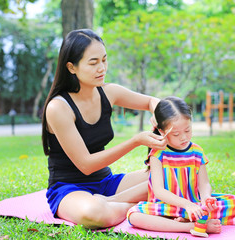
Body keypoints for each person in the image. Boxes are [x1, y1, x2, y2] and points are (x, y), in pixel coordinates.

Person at [41, 29, 167, 229]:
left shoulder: (109, 92)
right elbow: (86, 165)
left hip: (106, 183)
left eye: (104, 60)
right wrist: (135, 141)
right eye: (93, 63)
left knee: (173, 178)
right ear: (71, 67)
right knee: (94, 213)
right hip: (69, 189)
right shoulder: (58, 107)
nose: (102, 68)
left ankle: (115, 202)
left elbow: (153, 101)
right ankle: (143, 207)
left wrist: (159, 115)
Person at [127, 96, 235, 234]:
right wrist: (186, 205)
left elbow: (204, 184)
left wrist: (206, 199)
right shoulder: (158, 154)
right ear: (162, 131)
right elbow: (159, 191)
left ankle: (189, 219)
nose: (184, 137)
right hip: (167, 207)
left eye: (187, 130)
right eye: (176, 134)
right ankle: (190, 226)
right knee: (134, 215)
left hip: (195, 205)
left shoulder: (197, 152)